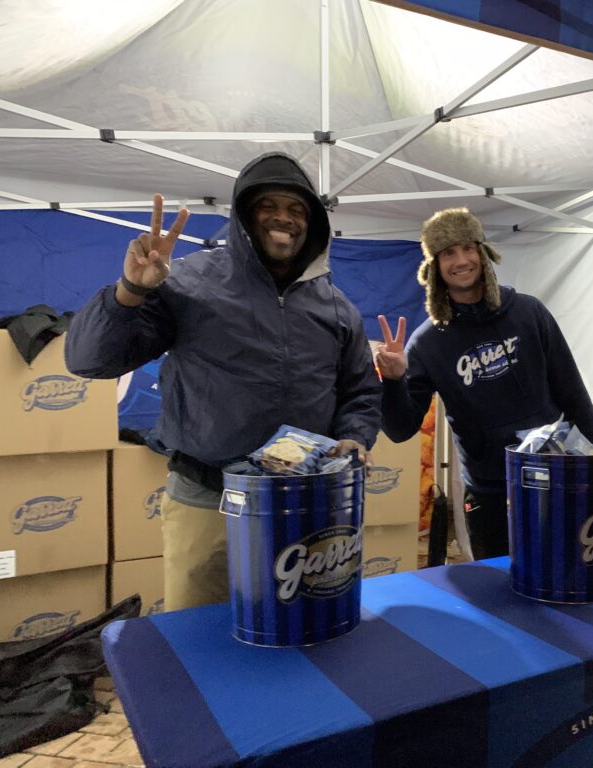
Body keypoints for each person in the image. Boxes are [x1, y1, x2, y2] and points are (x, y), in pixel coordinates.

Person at [65, 152, 381, 610]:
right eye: (268, 206)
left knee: (298, 628)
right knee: (200, 640)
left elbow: (361, 390)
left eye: (297, 210)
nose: (283, 219)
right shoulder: (191, 281)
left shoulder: (335, 306)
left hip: (305, 507)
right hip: (207, 499)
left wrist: (355, 435)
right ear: (243, 215)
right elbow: (89, 360)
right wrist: (131, 290)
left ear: (312, 223)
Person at [375, 207, 593, 560]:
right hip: (488, 492)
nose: (461, 260)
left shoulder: (530, 312)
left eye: (468, 247)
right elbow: (400, 430)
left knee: (563, 572)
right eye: (448, 252)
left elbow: (572, 391)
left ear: (483, 253)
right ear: (435, 266)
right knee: (497, 593)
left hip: (553, 477)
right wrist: (392, 382)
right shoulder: (427, 342)